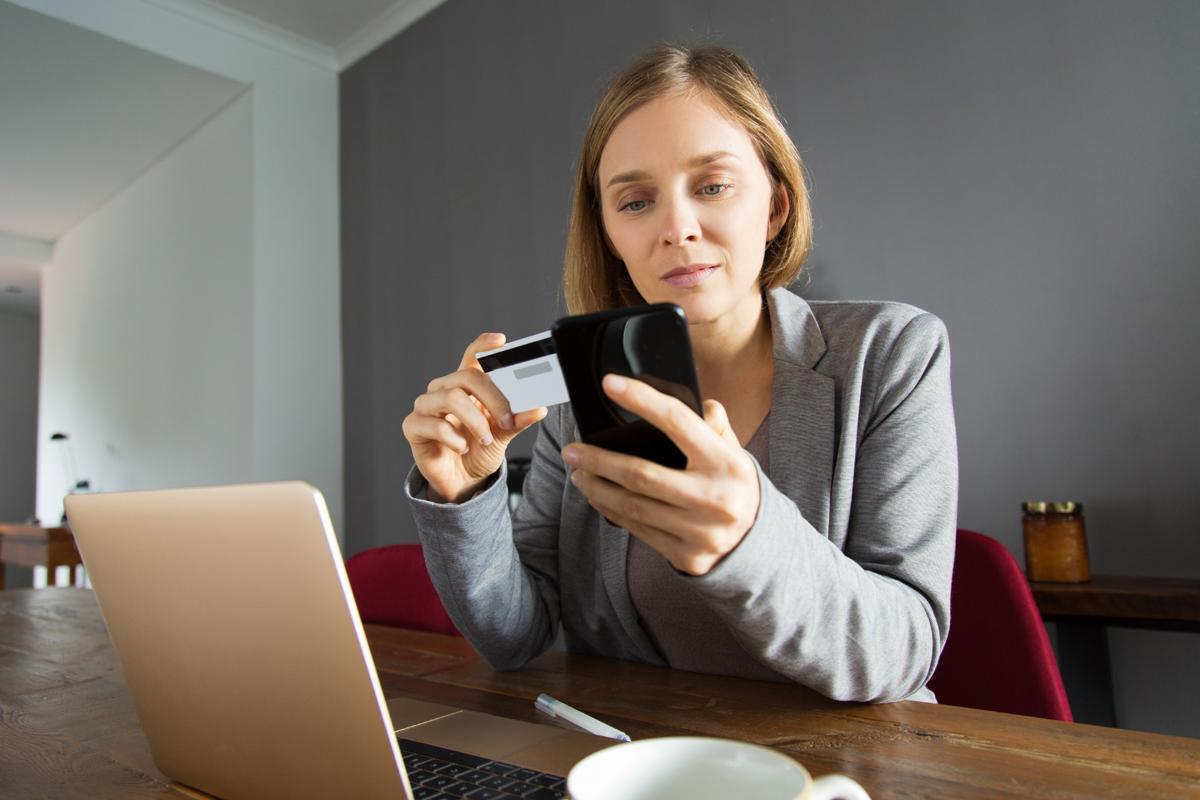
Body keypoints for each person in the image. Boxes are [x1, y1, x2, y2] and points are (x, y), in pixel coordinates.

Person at [402, 45, 957, 703]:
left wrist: (748, 539)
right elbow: (515, 638)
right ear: (608, 230)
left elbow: (903, 652)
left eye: (713, 186)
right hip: (640, 760)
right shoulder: (579, 396)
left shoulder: (892, 352)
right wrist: (467, 495)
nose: (677, 228)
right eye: (635, 201)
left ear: (776, 206)